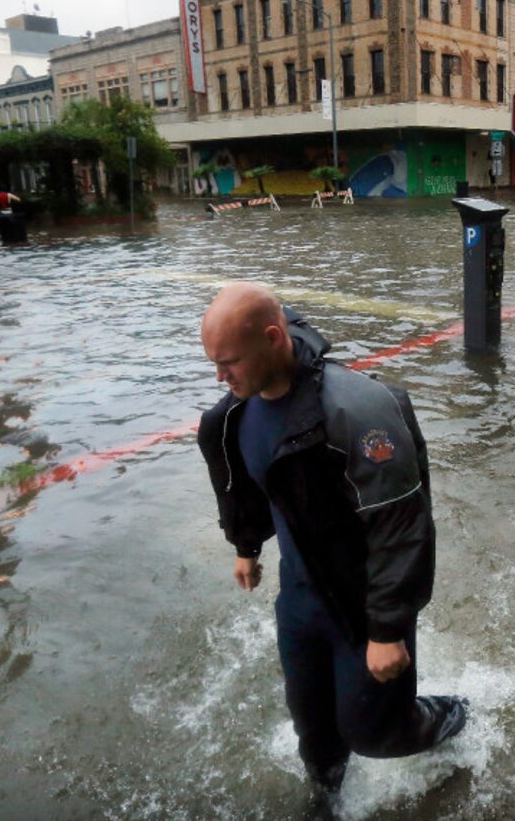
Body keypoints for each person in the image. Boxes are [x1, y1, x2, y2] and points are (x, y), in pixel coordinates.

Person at [197, 283, 467, 801]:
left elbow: (402, 527)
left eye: (228, 362)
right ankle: (327, 805)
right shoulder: (234, 413)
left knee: (374, 734)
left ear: (274, 338)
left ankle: (457, 716)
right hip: (299, 601)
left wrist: (387, 629)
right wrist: (246, 546)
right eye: (214, 363)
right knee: (316, 738)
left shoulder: (357, 411)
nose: (219, 377)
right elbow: (246, 485)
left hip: (360, 604)